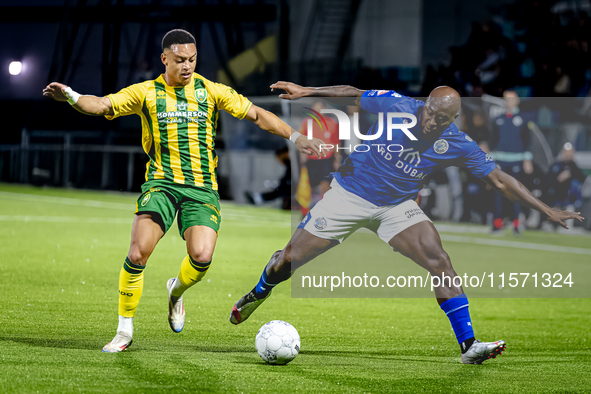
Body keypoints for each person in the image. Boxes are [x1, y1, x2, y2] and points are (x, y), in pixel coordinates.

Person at [229, 81, 584, 365]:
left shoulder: (457, 143)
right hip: (349, 194)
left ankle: (469, 345)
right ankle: (260, 291)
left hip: (396, 206)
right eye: (430, 112)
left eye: (440, 119)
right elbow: (354, 94)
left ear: (452, 120)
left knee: (439, 260)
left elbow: (500, 179)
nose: (431, 121)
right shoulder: (397, 105)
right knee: (287, 261)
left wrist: (546, 209)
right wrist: (307, 92)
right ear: (424, 104)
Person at [42, 30, 325, 353]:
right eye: (180, 60)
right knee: (137, 253)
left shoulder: (211, 90)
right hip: (161, 184)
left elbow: (258, 115)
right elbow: (103, 105)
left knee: (201, 257)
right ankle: (124, 330)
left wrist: (297, 138)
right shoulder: (146, 92)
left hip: (202, 188)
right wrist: (73, 97)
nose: (187, 66)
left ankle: (175, 292)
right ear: (165, 59)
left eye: (192, 59)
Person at [489, 90, 533, 235]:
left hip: (516, 160)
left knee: (516, 192)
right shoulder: (498, 119)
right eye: (506, 99)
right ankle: (497, 224)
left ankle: (516, 224)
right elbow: (493, 140)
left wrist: (527, 158)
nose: (509, 102)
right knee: (498, 191)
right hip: (500, 160)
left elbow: (527, 140)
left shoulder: (524, 119)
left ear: (517, 101)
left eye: (511, 99)